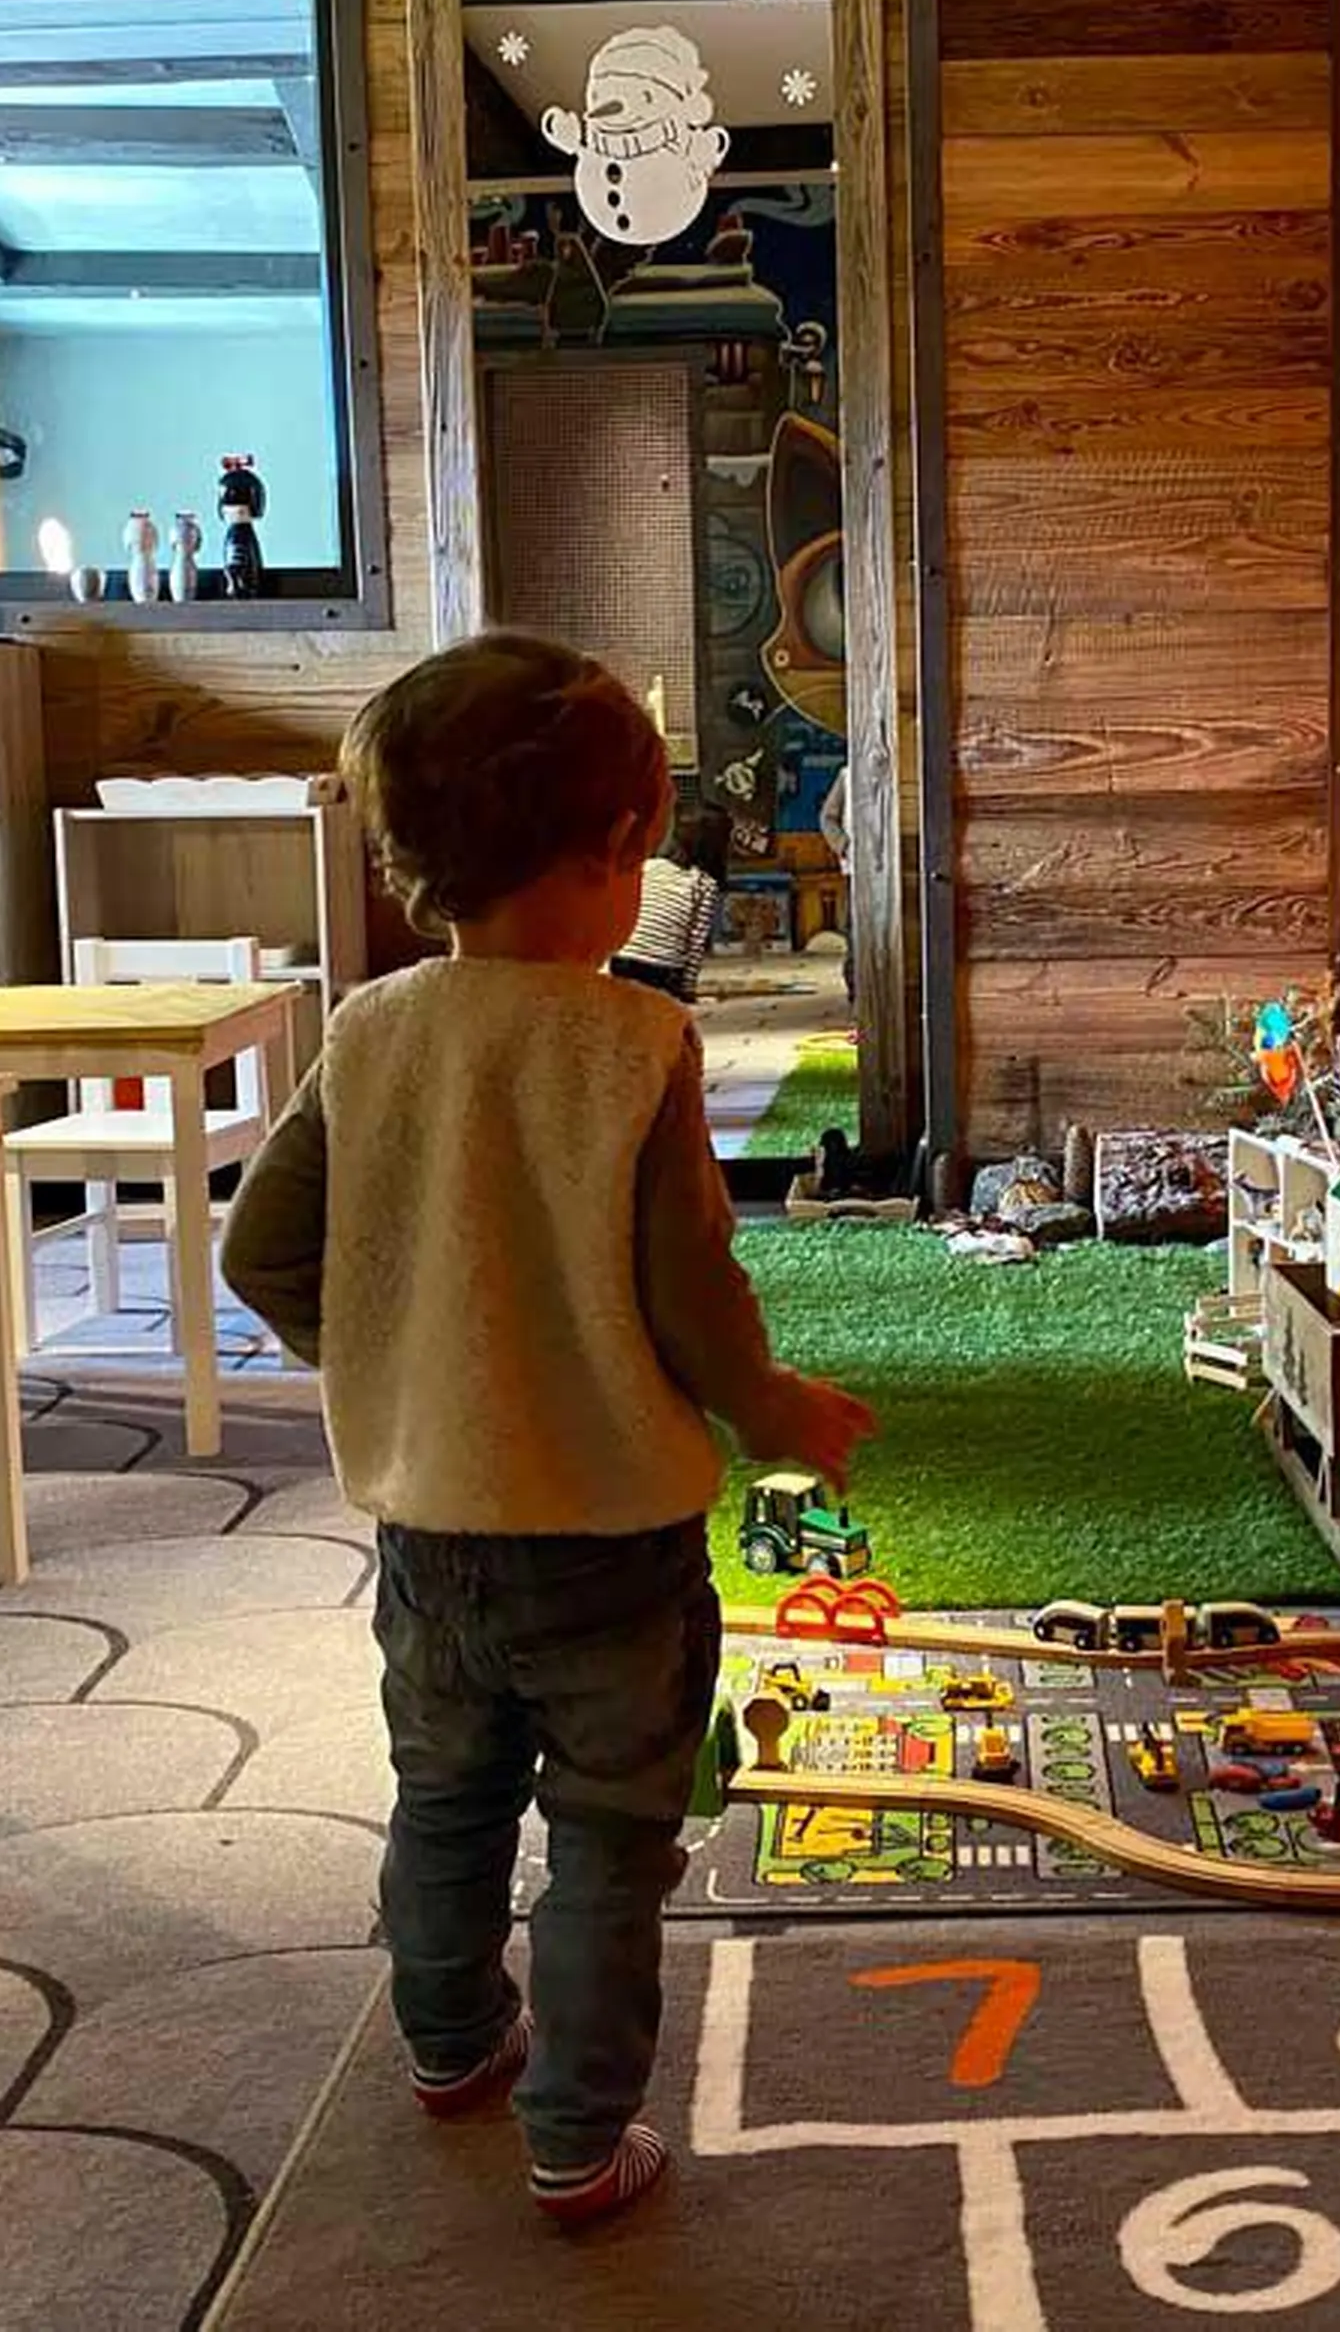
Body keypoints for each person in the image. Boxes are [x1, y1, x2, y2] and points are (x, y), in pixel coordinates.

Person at [220, 633, 874, 2228]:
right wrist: (774, 1406)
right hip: (609, 1539)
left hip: (432, 1530)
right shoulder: (633, 1043)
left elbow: (260, 1251)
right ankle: (579, 2134)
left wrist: (391, 1359)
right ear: (612, 852)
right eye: (640, 851)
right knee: (607, 1836)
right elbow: (690, 1286)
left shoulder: (368, 1027)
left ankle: (453, 2045)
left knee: (443, 1792)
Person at [612, 800, 728, 1003]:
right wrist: (687, 992)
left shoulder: (648, 866)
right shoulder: (703, 883)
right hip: (661, 971)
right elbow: (696, 943)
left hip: (621, 964)